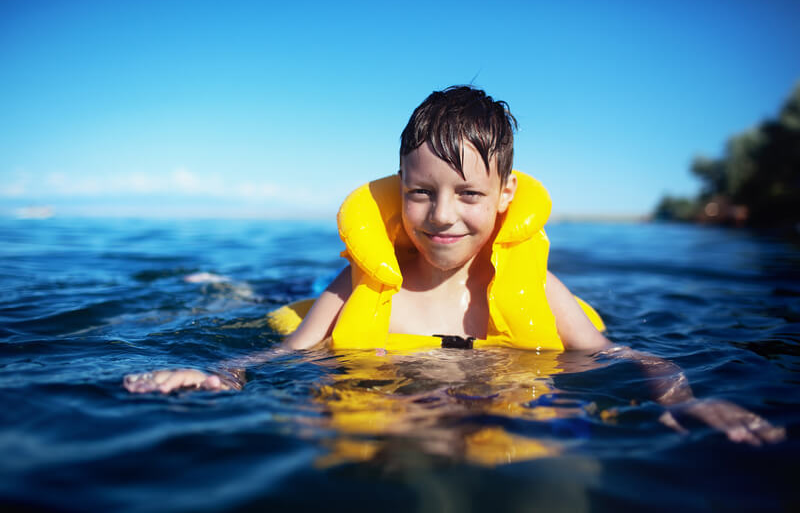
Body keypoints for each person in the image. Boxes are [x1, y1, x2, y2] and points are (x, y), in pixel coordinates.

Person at [125, 86, 784, 446]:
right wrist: (216, 374)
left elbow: (628, 356)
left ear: (504, 197)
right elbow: (280, 355)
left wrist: (687, 400)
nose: (442, 215)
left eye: (468, 194)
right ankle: (216, 284)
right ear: (400, 187)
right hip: (398, 421)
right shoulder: (361, 280)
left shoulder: (535, 287)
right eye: (421, 192)